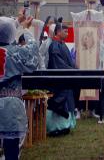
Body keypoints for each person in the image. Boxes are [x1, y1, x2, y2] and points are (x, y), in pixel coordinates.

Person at [0, 11, 39, 159]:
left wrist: (16, 23)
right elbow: (33, 54)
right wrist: (26, 30)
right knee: (11, 150)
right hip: (10, 107)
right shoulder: (16, 53)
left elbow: (3, 31)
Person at [46, 23, 76, 136]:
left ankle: (66, 126)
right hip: (58, 80)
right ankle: (55, 128)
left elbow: (69, 61)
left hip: (66, 78)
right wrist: (71, 70)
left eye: (67, 31)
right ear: (58, 32)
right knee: (59, 101)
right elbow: (58, 63)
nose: (67, 33)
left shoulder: (62, 44)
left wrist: (73, 68)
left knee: (68, 100)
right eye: (65, 31)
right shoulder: (54, 45)